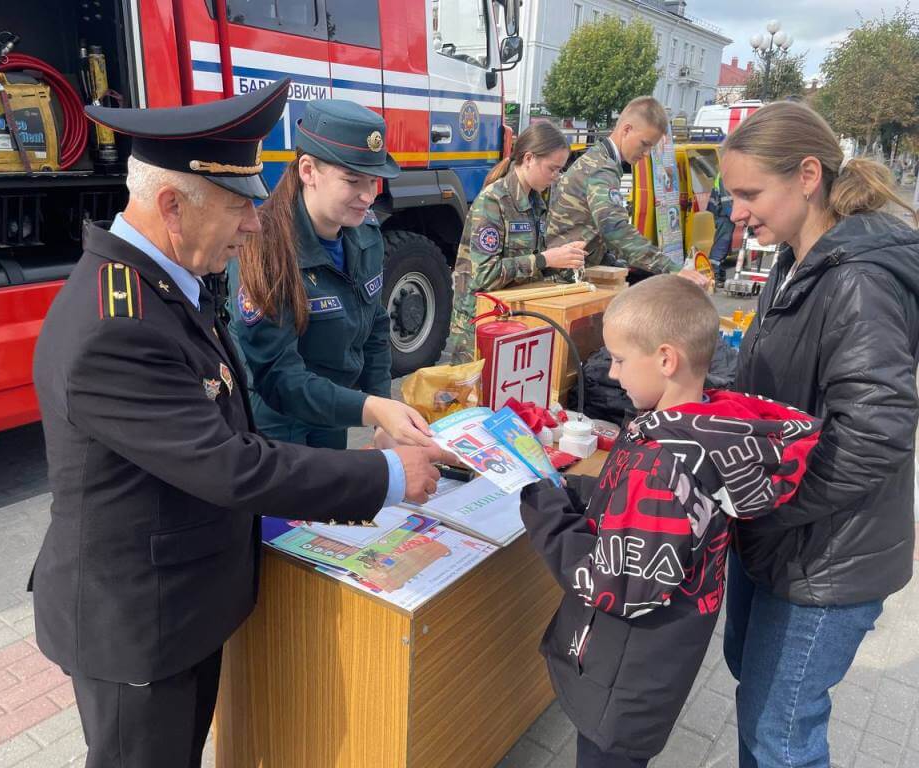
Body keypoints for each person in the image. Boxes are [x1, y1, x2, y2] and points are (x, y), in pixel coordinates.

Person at [29, 80, 442, 768]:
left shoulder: (170, 281)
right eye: (238, 206)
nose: (255, 223)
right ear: (170, 206)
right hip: (138, 622)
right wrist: (389, 474)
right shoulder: (116, 324)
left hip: (181, 604)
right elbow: (231, 463)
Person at [520, 274, 821, 768]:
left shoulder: (663, 461)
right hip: (654, 666)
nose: (612, 374)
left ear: (665, 359)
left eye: (618, 359)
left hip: (621, 681)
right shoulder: (701, 433)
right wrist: (573, 491)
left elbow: (616, 583)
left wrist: (542, 506)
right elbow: (640, 513)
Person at [720, 101, 919, 768]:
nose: (738, 213)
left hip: (826, 555)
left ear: (808, 175)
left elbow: (877, 430)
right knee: (760, 703)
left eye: (750, 193)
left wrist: (771, 502)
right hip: (781, 538)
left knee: (781, 733)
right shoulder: (798, 261)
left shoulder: (857, 279)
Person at [230, 100, 429, 449]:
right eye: (352, 180)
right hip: (278, 423)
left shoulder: (365, 235)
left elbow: (376, 327)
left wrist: (384, 407)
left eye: (373, 180)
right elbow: (279, 377)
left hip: (334, 412)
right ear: (308, 171)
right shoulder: (262, 247)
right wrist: (373, 409)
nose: (368, 196)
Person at [447, 121, 586, 362]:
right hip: (480, 325)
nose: (556, 177)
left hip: (512, 319)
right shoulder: (493, 201)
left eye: (560, 170)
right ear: (529, 158)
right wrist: (545, 259)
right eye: (552, 169)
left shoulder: (536, 202)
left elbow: (531, 265)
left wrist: (563, 259)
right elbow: (485, 275)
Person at [544, 96, 710, 288]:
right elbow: (615, 229)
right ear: (626, 130)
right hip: (564, 279)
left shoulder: (601, 160)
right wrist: (672, 268)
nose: (647, 153)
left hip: (574, 271)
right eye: (645, 144)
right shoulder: (601, 168)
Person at [706, 171, 734, 283]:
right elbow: (727, 202)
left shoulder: (728, 172)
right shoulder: (726, 174)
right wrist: (735, 216)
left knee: (725, 244)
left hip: (723, 214)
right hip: (721, 215)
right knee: (721, 243)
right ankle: (714, 273)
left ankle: (718, 272)